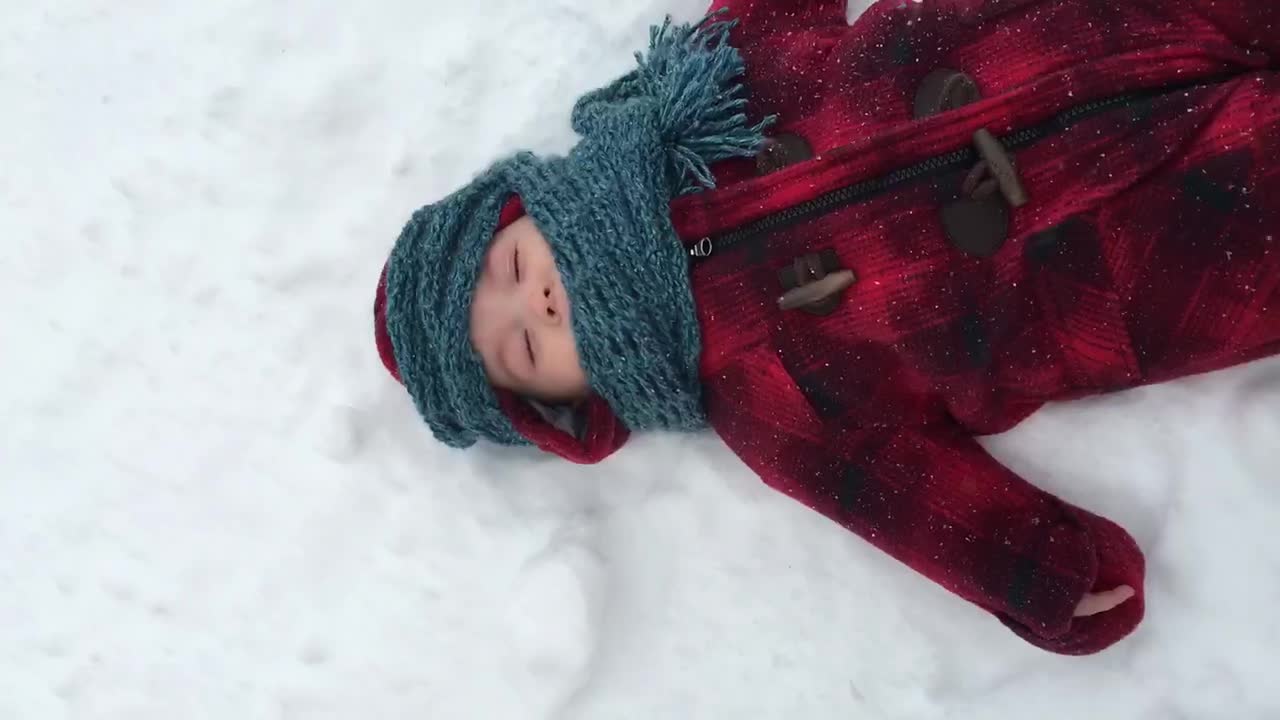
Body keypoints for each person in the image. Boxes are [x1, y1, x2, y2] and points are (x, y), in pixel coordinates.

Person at [373, 0, 1280, 654]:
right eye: (528, 348)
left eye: (515, 268)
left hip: (1075, 25)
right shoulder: (761, 399)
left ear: (523, 203)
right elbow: (891, 485)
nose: (538, 303)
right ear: (578, 404)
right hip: (1148, 261)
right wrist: (1031, 565)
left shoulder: (709, 86)